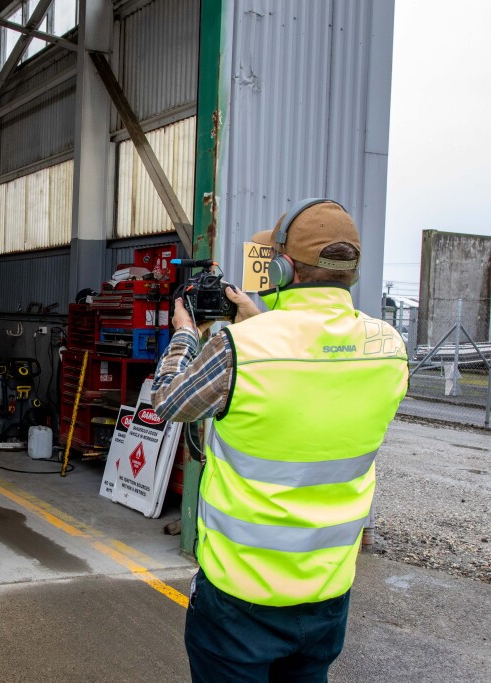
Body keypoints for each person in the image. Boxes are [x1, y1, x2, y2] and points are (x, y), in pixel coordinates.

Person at [149, 199, 409, 682]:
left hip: (239, 600)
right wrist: (260, 321)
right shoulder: (390, 348)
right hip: (328, 596)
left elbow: (168, 402)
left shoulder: (240, 349)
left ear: (284, 267)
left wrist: (185, 335)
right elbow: (316, 372)